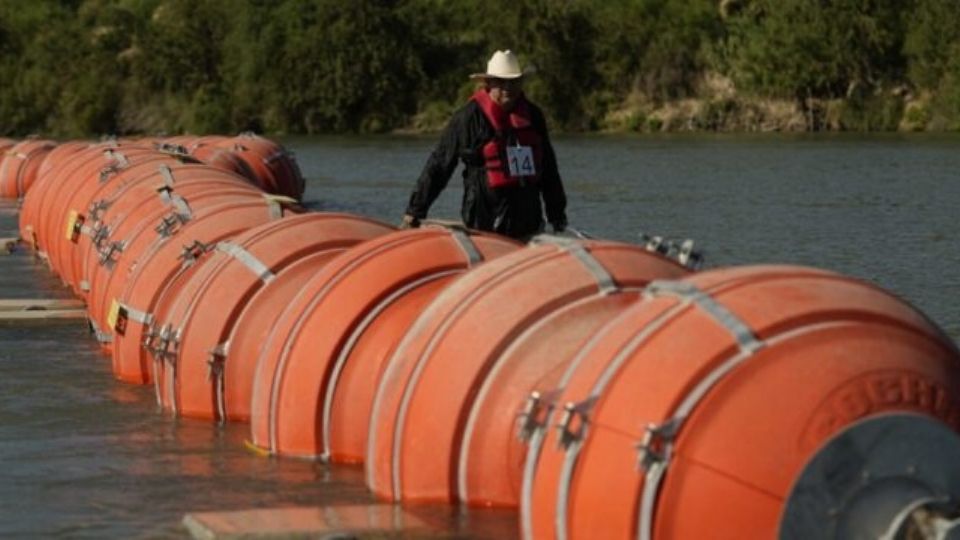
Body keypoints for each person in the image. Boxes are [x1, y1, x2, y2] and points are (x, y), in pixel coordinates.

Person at [400, 50, 567, 240]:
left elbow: (549, 168)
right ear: (488, 83)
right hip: (484, 220)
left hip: (528, 220)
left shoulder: (533, 116)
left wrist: (557, 214)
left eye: (513, 81)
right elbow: (440, 164)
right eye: (501, 81)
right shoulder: (468, 117)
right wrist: (415, 210)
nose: (508, 87)